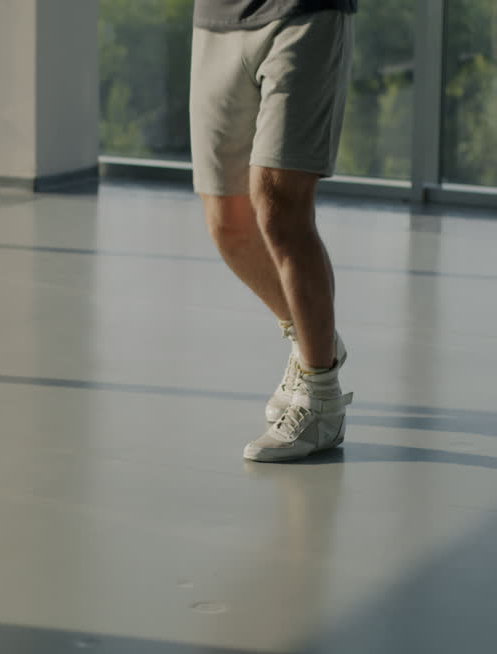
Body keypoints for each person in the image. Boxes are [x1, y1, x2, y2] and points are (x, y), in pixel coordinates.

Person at [190, 0, 358, 462]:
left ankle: (322, 398)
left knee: (279, 206)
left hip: (305, 12)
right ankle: (312, 340)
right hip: (217, 18)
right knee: (228, 223)